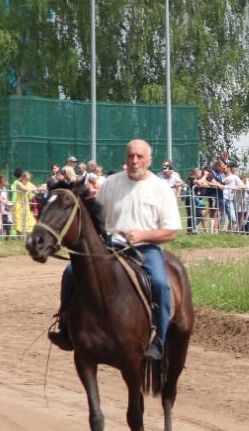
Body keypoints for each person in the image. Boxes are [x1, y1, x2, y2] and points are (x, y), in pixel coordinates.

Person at [49, 139, 181, 361]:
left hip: (145, 249)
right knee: (70, 272)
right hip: (110, 247)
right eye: (130, 156)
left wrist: (142, 235)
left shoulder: (161, 189)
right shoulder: (111, 183)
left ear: (149, 160)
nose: (134, 161)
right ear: (125, 158)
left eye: (139, 156)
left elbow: (171, 232)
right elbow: (94, 218)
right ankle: (65, 328)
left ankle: (159, 340)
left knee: (159, 282)